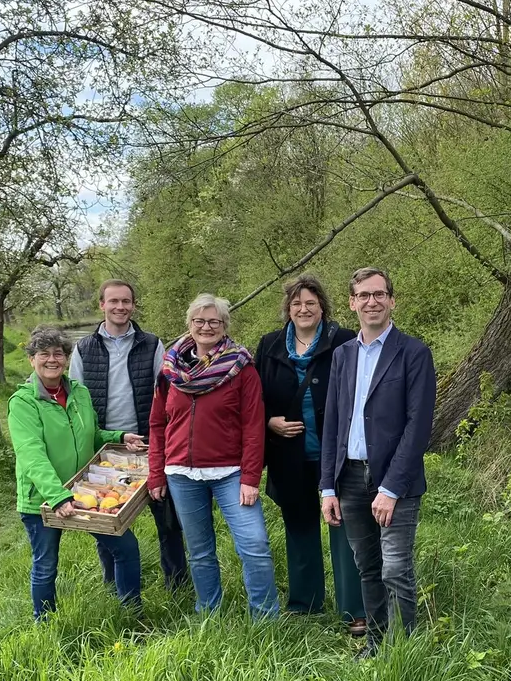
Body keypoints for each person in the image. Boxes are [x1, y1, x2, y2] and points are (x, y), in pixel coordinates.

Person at [320, 267, 437, 658]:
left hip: (394, 480)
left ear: (392, 300)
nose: (372, 302)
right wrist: (328, 487)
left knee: (395, 568)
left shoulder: (414, 353)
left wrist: (390, 488)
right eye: (363, 296)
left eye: (379, 294)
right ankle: (376, 642)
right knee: (367, 566)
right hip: (349, 477)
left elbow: (418, 426)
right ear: (352, 303)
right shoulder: (343, 355)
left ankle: (407, 649)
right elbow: (333, 422)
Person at [145, 294, 280, 617]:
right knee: (200, 552)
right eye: (199, 321)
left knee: (255, 546)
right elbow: (157, 423)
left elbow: (253, 426)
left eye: (214, 322)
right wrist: (156, 473)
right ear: (189, 325)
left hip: (231, 474)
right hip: (181, 474)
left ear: (225, 326)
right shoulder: (170, 371)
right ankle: (208, 612)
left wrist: (250, 478)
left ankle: (265, 617)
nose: (206, 327)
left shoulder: (242, 368)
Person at [9, 326, 147, 621]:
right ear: (32, 360)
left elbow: (90, 434)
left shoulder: (80, 392)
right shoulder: (23, 403)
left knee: (125, 547)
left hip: (87, 492)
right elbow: (31, 455)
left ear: (66, 358)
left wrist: (119, 436)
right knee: (46, 564)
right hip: (44, 499)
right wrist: (59, 497)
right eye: (43, 354)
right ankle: (44, 624)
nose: (51, 360)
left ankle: (130, 615)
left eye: (58, 353)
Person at [254, 274, 367, 635]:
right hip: (289, 457)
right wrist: (269, 422)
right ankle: (305, 605)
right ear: (288, 308)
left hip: (337, 456)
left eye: (311, 303)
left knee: (345, 530)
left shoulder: (344, 341)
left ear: (323, 308)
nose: (304, 309)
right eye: (297, 303)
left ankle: (355, 611)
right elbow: (254, 400)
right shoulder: (269, 345)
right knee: (300, 529)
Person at [68, 279, 190, 594]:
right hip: (106, 446)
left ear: (133, 305)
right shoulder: (84, 348)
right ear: (102, 305)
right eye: (114, 301)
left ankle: (176, 583)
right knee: (106, 518)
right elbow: (77, 398)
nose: (120, 307)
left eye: (126, 301)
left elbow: (166, 393)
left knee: (167, 518)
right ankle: (113, 585)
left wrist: (160, 438)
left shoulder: (151, 344)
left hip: (149, 444)